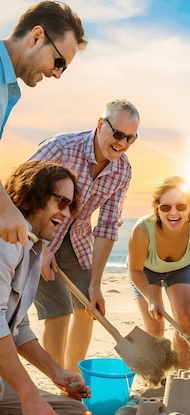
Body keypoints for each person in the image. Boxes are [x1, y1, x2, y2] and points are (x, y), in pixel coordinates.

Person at [29, 98, 140, 373]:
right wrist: (39, 247)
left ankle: (74, 376)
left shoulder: (122, 170)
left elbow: (107, 226)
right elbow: (19, 194)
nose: (123, 144)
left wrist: (96, 284)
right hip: (37, 235)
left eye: (131, 139)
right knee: (58, 311)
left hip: (77, 240)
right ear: (101, 124)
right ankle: (57, 379)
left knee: (88, 309)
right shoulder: (61, 148)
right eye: (118, 135)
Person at [0, 159, 90, 415]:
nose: (66, 214)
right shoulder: (7, 244)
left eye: (71, 206)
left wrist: (56, 372)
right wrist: (29, 395)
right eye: (61, 202)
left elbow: (18, 326)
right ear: (34, 194)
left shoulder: (33, 249)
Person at [0, 0, 87, 247]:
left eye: (64, 69)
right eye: (59, 62)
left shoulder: (8, 89)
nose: (57, 74)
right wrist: (5, 208)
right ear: (37, 37)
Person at [128, 176, 190, 369]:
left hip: (180, 270)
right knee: (156, 326)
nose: (173, 213)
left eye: (181, 206)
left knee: (184, 319)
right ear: (157, 208)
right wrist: (151, 298)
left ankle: (181, 377)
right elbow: (135, 269)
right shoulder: (142, 229)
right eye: (166, 207)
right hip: (144, 271)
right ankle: (156, 376)